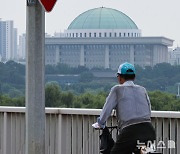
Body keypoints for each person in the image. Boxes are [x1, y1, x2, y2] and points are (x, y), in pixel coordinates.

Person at [92, 62, 156, 154]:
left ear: (120, 77)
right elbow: (148, 110)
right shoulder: (142, 90)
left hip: (130, 131)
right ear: (134, 77)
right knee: (143, 151)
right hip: (148, 130)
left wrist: (101, 123)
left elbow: (107, 109)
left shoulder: (117, 89)